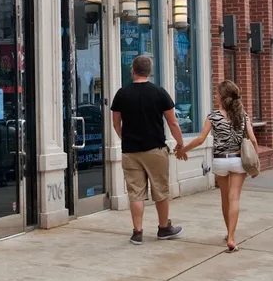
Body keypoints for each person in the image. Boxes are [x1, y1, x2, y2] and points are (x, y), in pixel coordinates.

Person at [111, 55, 186, 245]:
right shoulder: (159, 92)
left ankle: (137, 232)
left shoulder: (122, 93)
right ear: (149, 71)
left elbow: (116, 123)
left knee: (135, 192)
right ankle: (163, 228)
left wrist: (125, 138)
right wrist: (180, 143)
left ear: (132, 70)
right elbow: (172, 122)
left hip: (130, 151)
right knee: (160, 189)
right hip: (155, 149)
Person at [177, 80, 258, 253]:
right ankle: (231, 237)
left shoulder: (213, 116)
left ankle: (228, 231)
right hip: (238, 161)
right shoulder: (243, 115)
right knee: (234, 198)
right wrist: (255, 162)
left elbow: (200, 139)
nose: (215, 96)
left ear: (222, 96)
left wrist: (183, 150)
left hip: (220, 161)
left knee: (224, 198)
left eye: (216, 93)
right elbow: (253, 140)